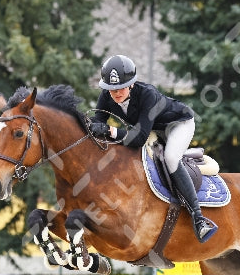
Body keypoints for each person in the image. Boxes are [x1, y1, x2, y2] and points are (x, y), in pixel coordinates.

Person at [89, 54, 217, 243]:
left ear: (131, 84)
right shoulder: (107, 96)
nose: (115, 93)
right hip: (151, 129)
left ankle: (199, 220)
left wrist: (109, 130)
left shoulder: (147, 94)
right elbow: (96, 122)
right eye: (111, 89)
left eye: (120, 87)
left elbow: (139, 137)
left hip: (177, 124)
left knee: (171, 158)